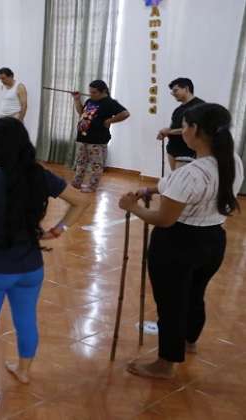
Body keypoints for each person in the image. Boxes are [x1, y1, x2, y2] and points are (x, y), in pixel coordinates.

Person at [0, 117, 89, 396]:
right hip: (30, 267)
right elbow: (82, 200)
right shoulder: (40, 175)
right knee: (26, 319)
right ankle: (23, 371)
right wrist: (59, 230)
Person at [119, 103, 243, 380]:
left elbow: (164, 219)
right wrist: (150, 188)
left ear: (195, 130)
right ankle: (189, 341)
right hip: (213, 240)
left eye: (185, 125)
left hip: (179, 244)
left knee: (171, 302)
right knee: (194, 294)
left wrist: (133, 207)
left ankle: (166, 363)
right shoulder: (232, 160)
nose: (182, 131)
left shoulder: (192, 172)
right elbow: (173, 184)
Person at [71, 80, 130, 193]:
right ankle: (77, 183)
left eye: (94, 92)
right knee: (80, 162)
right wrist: (77, 99)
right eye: (90, 92)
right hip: (83, 138)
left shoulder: (109, 102)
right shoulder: (90, 100)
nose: (91, 94)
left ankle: (92, 186)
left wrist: (110, 121)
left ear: (103, 91)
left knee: (96, 165)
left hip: (97, 140)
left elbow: (125, 113)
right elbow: (81, 112)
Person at [157, 78, 205, 170]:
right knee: (176, 179)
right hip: (172, 150)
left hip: (187, 153)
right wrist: (165, 133)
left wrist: (169, 131)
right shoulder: (178, 110)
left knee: (184, 182)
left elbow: (193, 129)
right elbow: (173, 128)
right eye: (172, 92)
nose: (173, 94)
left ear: (186, 89)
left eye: (175, 90)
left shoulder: (199, 106)